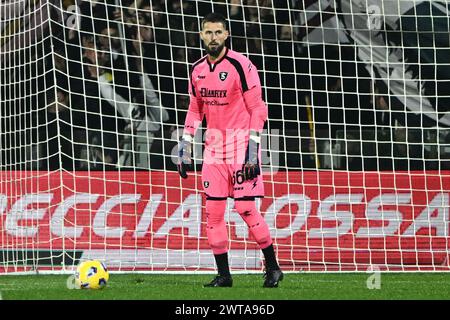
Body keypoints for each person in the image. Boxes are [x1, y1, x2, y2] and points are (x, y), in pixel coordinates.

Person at [177, 12, 283, 288]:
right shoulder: (197, 69)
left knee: (246, 208)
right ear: (201, 35)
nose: (213, 37)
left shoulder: (242, 65)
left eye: (218, 32)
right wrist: (185, 144)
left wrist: (253, 148)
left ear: (226, 35)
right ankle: (224, 275)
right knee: (212, 213)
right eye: (208, 32)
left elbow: (258, 108)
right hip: (213, 150)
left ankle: (272, 267)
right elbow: (194, 108)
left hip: (241, 147)